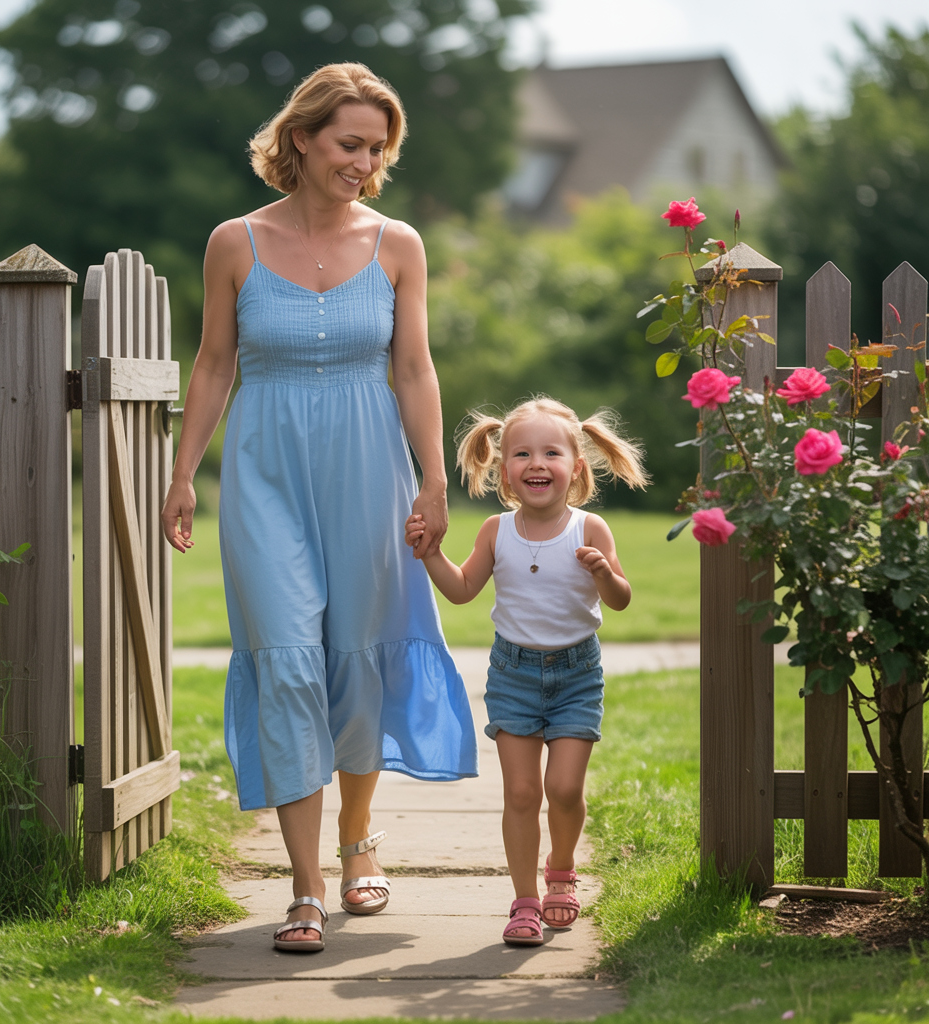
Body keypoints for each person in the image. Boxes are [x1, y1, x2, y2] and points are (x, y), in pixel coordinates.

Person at [161, 63, 478, 954]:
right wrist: (185, 473)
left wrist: (433, 479)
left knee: (356, 662)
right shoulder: (236, 241)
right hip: (263, 475)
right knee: (289, 661)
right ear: (300, 138)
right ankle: (302, 887)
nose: (365, 162)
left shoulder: (398, 245)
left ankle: (357, 840)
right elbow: (214, 365)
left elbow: (414, 370)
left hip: (369, 470)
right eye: (349, 144)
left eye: (378, 148)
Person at [405, 397, 648, 946]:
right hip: (513, 674)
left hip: (576, 674)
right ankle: (525, 902)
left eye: (551, 453)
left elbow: (622, 600)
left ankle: (560, 868)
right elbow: (464, 590)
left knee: (563, 788)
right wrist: (431, 555)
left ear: (576, 466)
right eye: (522, 454)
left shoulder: (591, 529)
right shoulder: (497, 531)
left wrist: (605, 572)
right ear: (504, 469)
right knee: (520, 793)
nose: (537, 463)